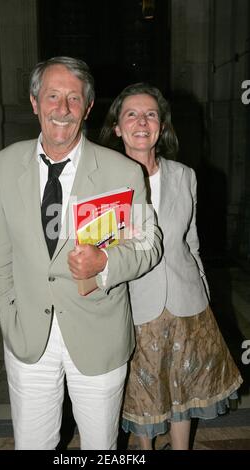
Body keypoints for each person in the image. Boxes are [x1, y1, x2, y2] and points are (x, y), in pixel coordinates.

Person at [0, 58, 162, 450]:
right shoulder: (2, 166)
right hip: (28, 338)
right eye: (52, 96)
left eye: (73, 98)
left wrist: (105, 264)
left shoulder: (122, 171)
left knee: (100, 448)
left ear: (88, 106)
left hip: (99, 336)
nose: (62, 109)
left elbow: (149, 244)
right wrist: (8, 316)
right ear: (34, 102)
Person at [99, 83, 243, 450]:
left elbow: (190, 243)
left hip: (187, 302)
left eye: (151, 114)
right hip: (135, 306)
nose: (142, 121)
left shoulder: (185, 176)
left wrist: (204, 295)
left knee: (184, 390)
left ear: (161, 126)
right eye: (131, 114)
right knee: (142, 390)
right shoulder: (104, 182)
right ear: (117, 127)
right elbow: (102, 252)